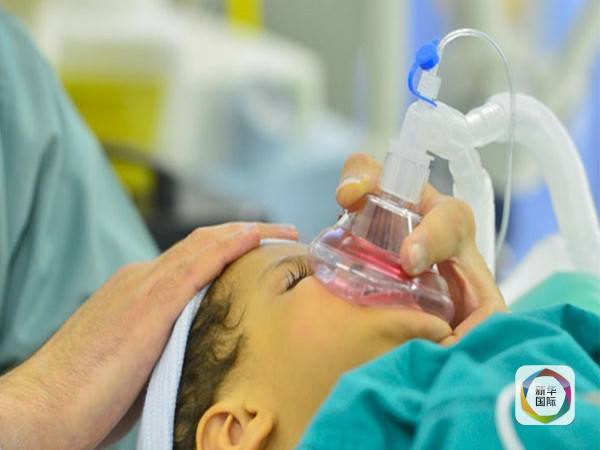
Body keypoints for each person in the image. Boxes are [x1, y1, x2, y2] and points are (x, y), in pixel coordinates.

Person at [0, 10, 296, 450]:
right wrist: (37, 406)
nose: (350, 268)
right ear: (235, 431)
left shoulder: (13, 82)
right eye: (297, 278)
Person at [165, 157, 599, 450]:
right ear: (235, 433)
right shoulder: (463, 410)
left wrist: (495, 348)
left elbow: (570, 407)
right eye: (299, 276)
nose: (356, 255)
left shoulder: (488, 391)